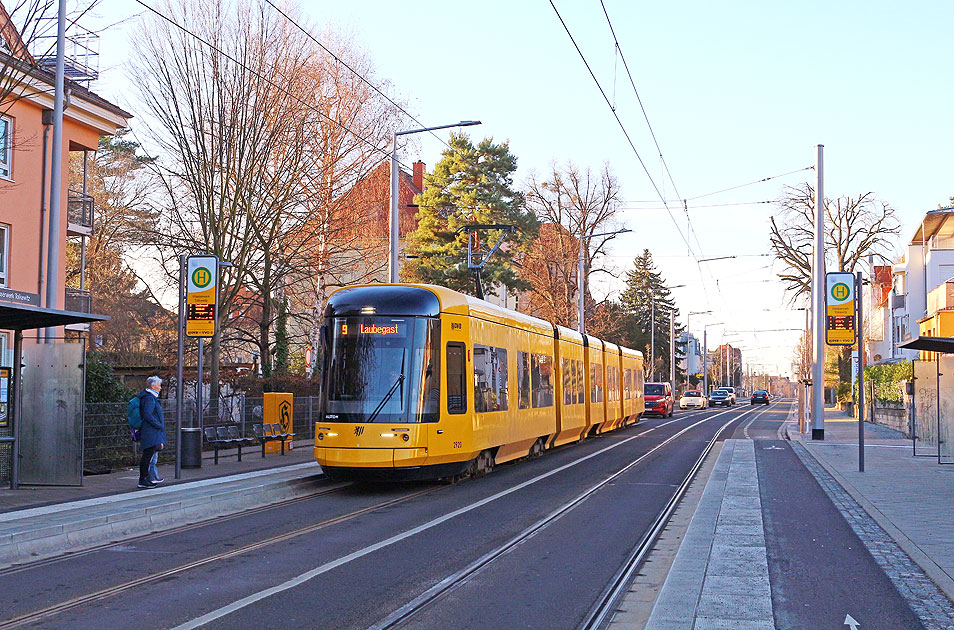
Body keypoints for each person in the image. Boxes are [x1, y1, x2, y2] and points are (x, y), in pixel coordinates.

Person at [137, 376, 167, 489]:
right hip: (151, 431)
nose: (160, 388)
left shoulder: (149, 397)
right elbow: (148, 414)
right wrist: (158, 425)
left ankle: (147, 478)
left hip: (151, 431)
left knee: (149, 455)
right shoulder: (150, 398)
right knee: (148, 456)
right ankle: (143, 479)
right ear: (153, 386)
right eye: (159, 385)